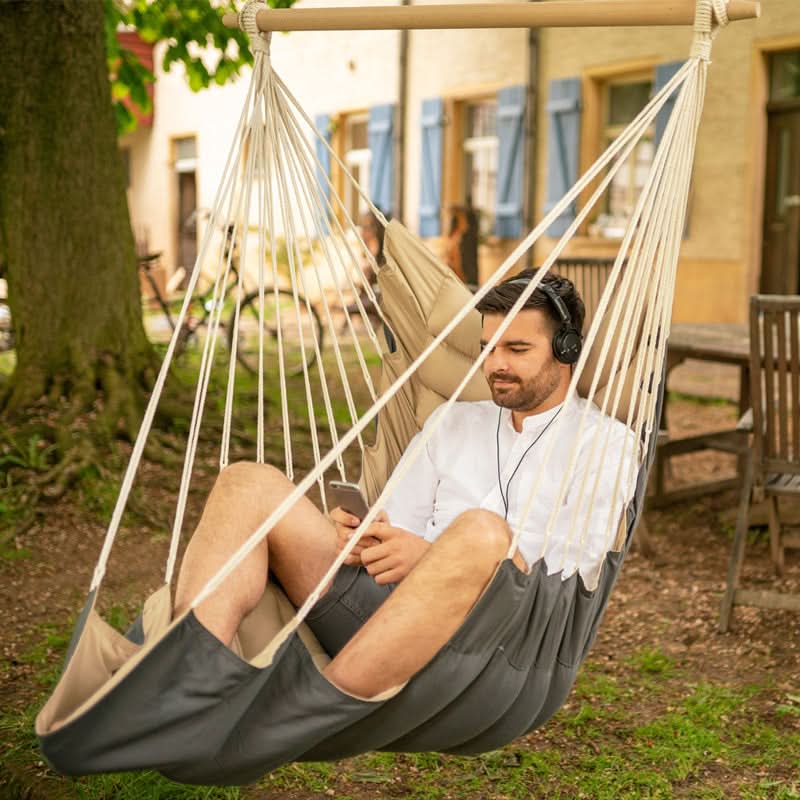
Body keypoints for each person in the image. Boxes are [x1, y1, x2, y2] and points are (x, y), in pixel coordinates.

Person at [174, 269, 637, 700]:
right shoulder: (452, 421)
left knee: (481, 532)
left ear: (566, 350)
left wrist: (435, 559)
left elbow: (573, 576)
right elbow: (396, 520)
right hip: (380, 613)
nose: (495, 364)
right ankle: (186, 676)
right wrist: (364, 536)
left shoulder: (605, 445)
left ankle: (312, 709)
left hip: (489, 646)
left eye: (516, 350)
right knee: (246, 483)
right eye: (488, 348)